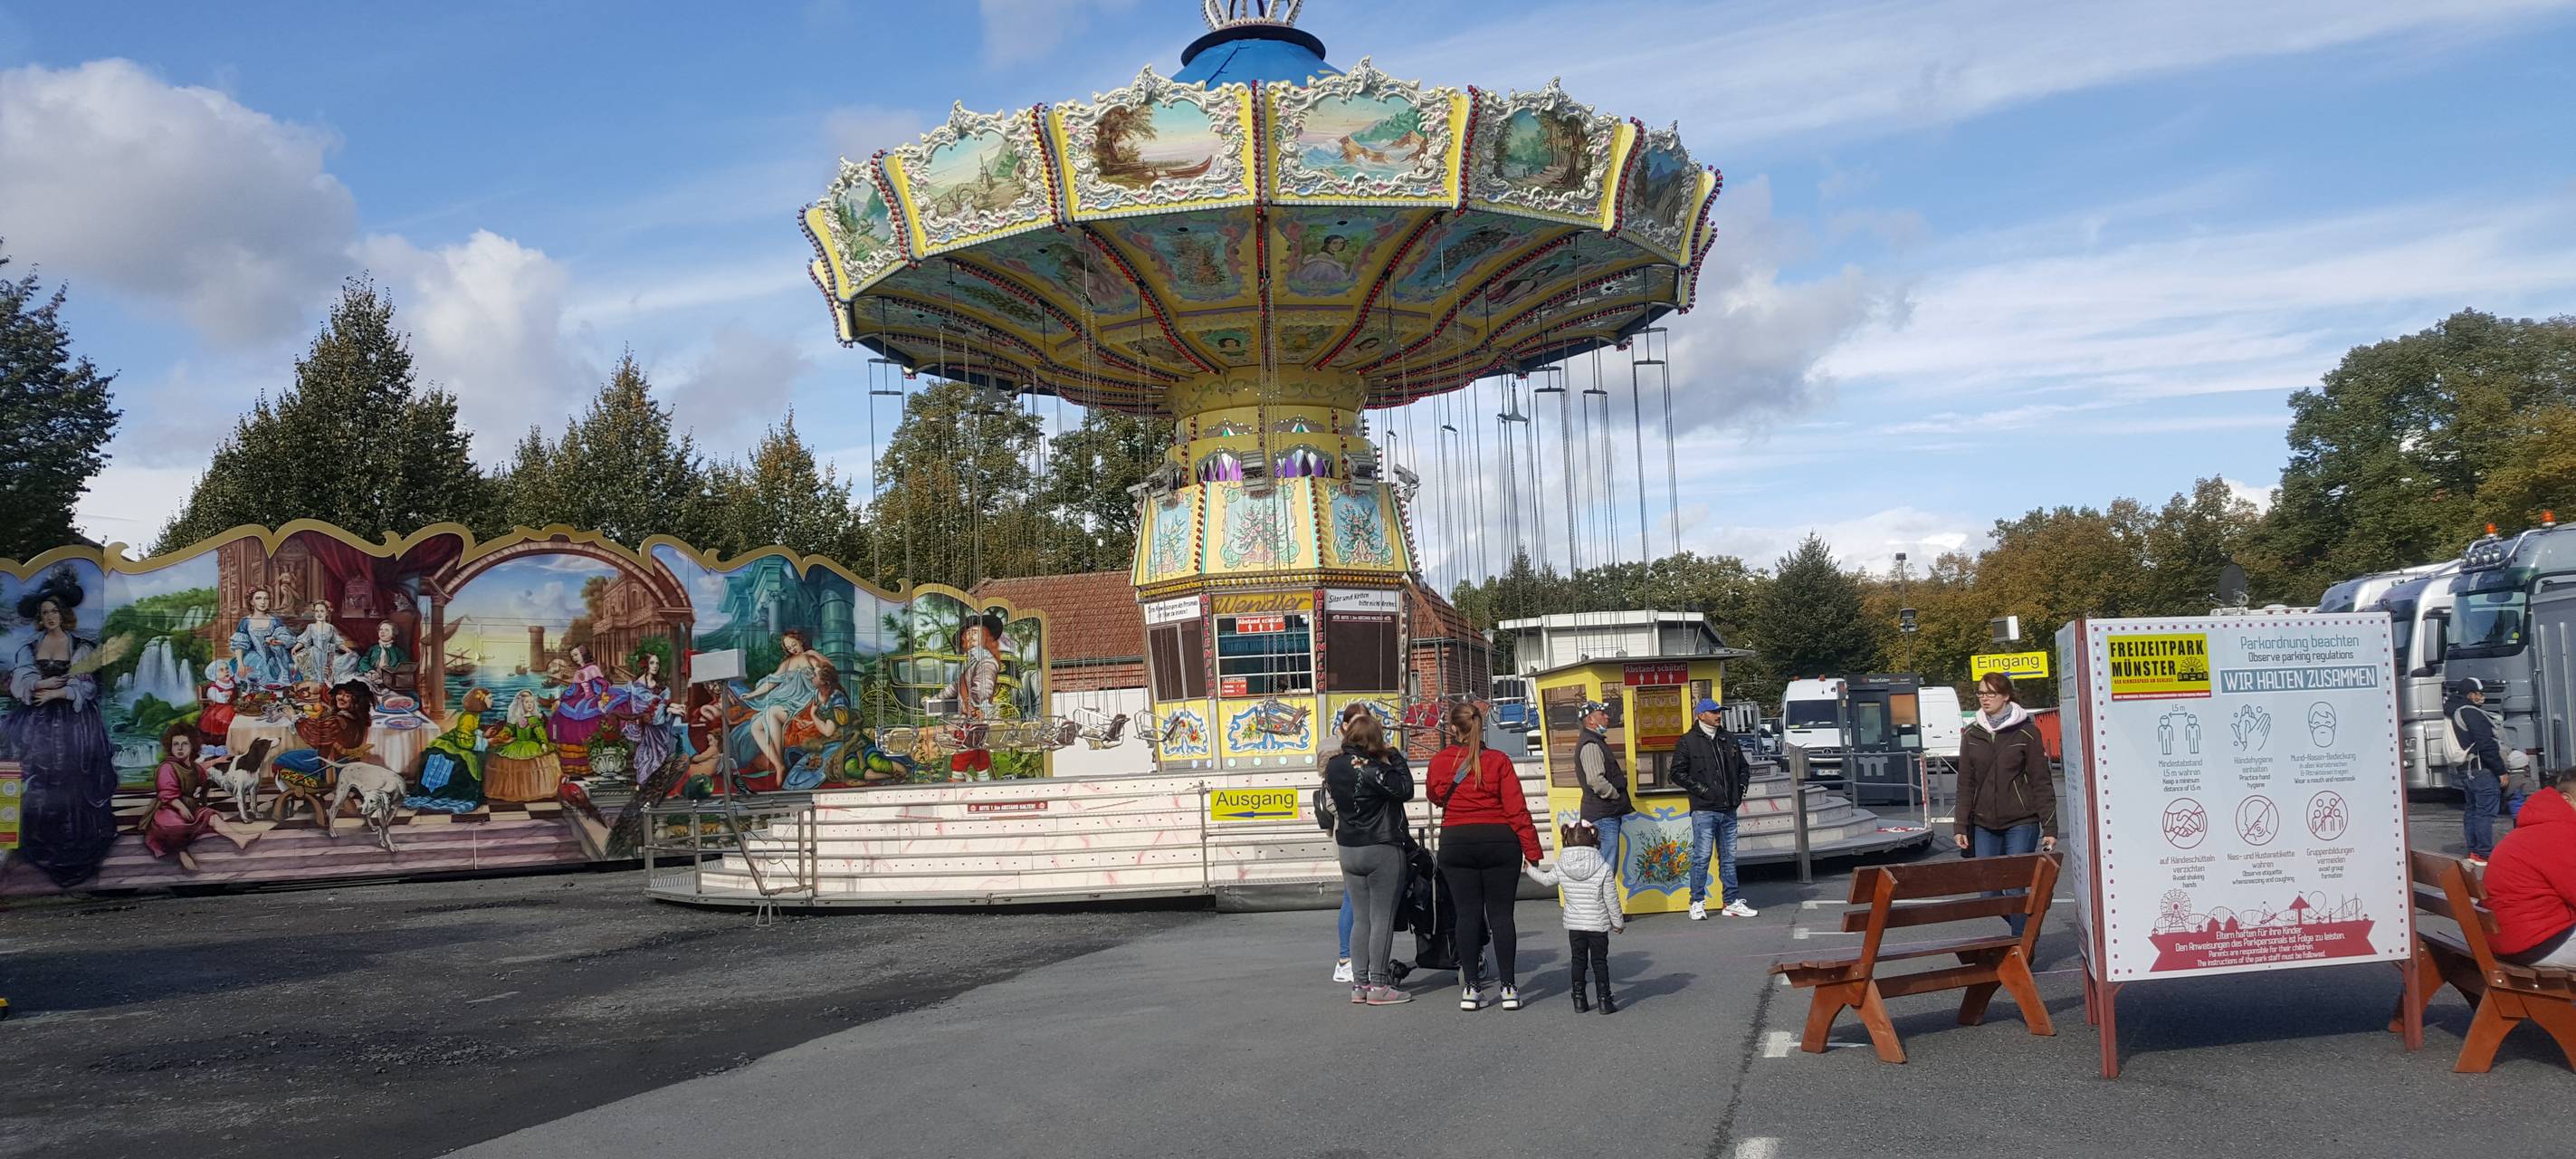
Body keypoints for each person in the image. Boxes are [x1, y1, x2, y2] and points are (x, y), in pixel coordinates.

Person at [7, 571, 119, 887]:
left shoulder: (81, 646)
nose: (50, 617)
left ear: (63, 615)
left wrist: (59, 692)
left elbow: (87, 685)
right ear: (40, 618)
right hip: (38, 724)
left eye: (54, 611)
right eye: (45, 613)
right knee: (41, 779)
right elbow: (21, 680)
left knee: (76, 777)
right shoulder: (30, 647)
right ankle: (42, 844)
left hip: (74, 722)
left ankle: (78, 848)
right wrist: (39, 684)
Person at [1427, 700, 1541, 1011]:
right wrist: (1532, 850)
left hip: (1457, 841)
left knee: (1467, 914)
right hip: (1499, 841)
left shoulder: (1441, 761)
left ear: (1452, 728)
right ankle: (1509, 987)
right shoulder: (1499, 760)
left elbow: (1435, 795)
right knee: (1502, 915)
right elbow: (1516, 808)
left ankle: (1472, 988)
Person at [1323, 706, 1415, 1005]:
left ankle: (1358, 984)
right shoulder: (1375, 769)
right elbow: (1405, 789)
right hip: (1380, 846)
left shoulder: (1334, 766)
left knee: (1360, 918)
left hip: (1348, 848)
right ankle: (1379, 986)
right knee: (1381, 919)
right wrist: (1395, 756)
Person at [1955, 673, 2058, 936]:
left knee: (2015, 887)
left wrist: (2050, 828)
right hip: (1983, 822)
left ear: (2006, 696)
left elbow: (2041, 781)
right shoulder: (1972, 734)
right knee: (1988, 891)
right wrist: (1960, 826)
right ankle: (2026, 933)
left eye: (1990, 693)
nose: (1985, 699)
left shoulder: (2027, 732)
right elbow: (1965, 782)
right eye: (1981, 693)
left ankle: (2021, 950)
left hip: (2021, 821)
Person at [1670, 697, 1757, 920]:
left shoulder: (1729, 739)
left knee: (1728, 857)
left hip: (1728, 807)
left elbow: (1743, 768)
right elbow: (1677, 773)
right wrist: (1703, 791)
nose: (1718, 715)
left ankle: (1731, 901)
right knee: (1702, 856)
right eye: (1714, 712)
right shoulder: (1688, 741)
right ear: (1701, 715)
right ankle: (1697, 901)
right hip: (1704, 809)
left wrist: (1740, 789)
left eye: (1719, 711)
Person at [1525, 819, 1623, 1013]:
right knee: (1599, 962)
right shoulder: (1602, 867)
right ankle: (1604, 1000)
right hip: (1598, 925)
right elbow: (1611, 899)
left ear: (1566, 840)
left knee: (1578, 961)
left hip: (1575, 925)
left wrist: (1529, 869)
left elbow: (1545, 881)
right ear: (1593, 839)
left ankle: (1579, 1000)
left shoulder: (1562, 866)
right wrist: (1617, 922)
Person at [2483, 766, 2576, 969]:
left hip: (2512, 937)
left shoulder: (2535, 827)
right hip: (2540, 941)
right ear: (2567, 800)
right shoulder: (2560, 834)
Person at [137, 725, 261, 870]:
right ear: (170, 747)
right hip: (167, 809)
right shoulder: (167, 767)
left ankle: (240, 839)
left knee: (212, 817)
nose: (180, 748)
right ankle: (182, 853)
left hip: (189, 806)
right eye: (176, 744)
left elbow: (200, 767)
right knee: (175, 826)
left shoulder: (190, 765)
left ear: (192, 746)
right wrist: (181, 808)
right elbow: (167, 793)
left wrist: (216, 761)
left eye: (185, 744)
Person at [272, 679, 376, 829]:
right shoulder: (360, 719)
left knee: (280, 761)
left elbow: (315, 735)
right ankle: (316, 800)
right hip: (345, 765)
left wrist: (293, 717)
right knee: (301, 754)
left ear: (357, 701)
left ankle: (291, 799)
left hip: (328, 768)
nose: (341, 697)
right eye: (340, 694)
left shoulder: (338, 721)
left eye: (347, 696)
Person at [1572, 699, 1635, 901]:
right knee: (1606, 864)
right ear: (1590, 720)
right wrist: (1614, 795)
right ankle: (1603, 908)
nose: (1607, 717)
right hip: (1604, 813)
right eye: (1602, 714)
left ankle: (1603, 906)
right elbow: (1596, 781)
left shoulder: (1594, 741)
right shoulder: (1591, 744)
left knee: (1603, 864)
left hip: (1602, 812)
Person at [2447, 677, 2509, 867]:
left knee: (2472, 811)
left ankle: (2474, 850)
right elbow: (2486, 744)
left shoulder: (2455, 712)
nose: (2482, 697)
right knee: (2485, 813)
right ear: (2471, 694)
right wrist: (2500, 770)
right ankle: (2483, 853)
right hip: (2483, 770)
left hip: (2468, 770)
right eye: (2480, 693)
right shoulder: (2471, 713)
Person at [406, 687, 492, 814]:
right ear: (480, 700)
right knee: (466, 760)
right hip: (455, 743)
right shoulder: (468, 717)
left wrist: (483, 735)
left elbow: (469, 734)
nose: (492, 700)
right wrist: (487, 742)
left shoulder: (474, 715)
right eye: (490, 698)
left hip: (459, 740)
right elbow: (463, 741)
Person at [228, 587, 297, 686]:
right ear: (252, 602)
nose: (263, 602)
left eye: (266, 598)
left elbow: (286, 638)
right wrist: (240, 664)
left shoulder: (275, 620)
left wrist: (277, 641)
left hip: (274, 659)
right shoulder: (245, 621)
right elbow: (239, 644)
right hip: (253, 659)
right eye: (258, 598)